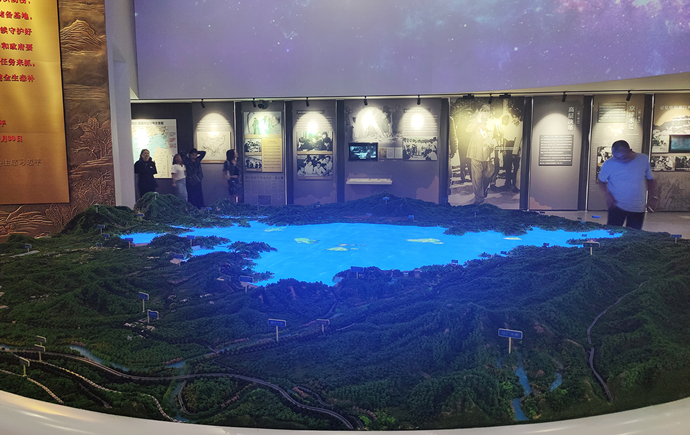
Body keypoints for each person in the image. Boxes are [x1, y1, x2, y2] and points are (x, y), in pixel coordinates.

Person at [598, 140, 657, 230]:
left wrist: (652, 197)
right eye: (617, 158)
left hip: (637, 206)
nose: (621, 160)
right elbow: (601, 181)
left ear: (630, 150)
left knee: (633, 234)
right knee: (612, 232)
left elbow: (650, 179)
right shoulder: (609, 164)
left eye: (624, 157)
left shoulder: (643, 159)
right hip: (616, 205)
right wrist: (607, 195)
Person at [465, 105, 496, 204]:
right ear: (480, 112)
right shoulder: (475, 121)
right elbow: (468, 130)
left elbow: (497, 136)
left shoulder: (492, 123)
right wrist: (477, 120)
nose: (486, 113)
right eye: (484, 111)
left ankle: (483, 190)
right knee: (477, 177)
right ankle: (479, 198)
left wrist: (494, 141)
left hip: (488, 153)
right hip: (476, 153)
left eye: (487, 111)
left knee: (489, 173)